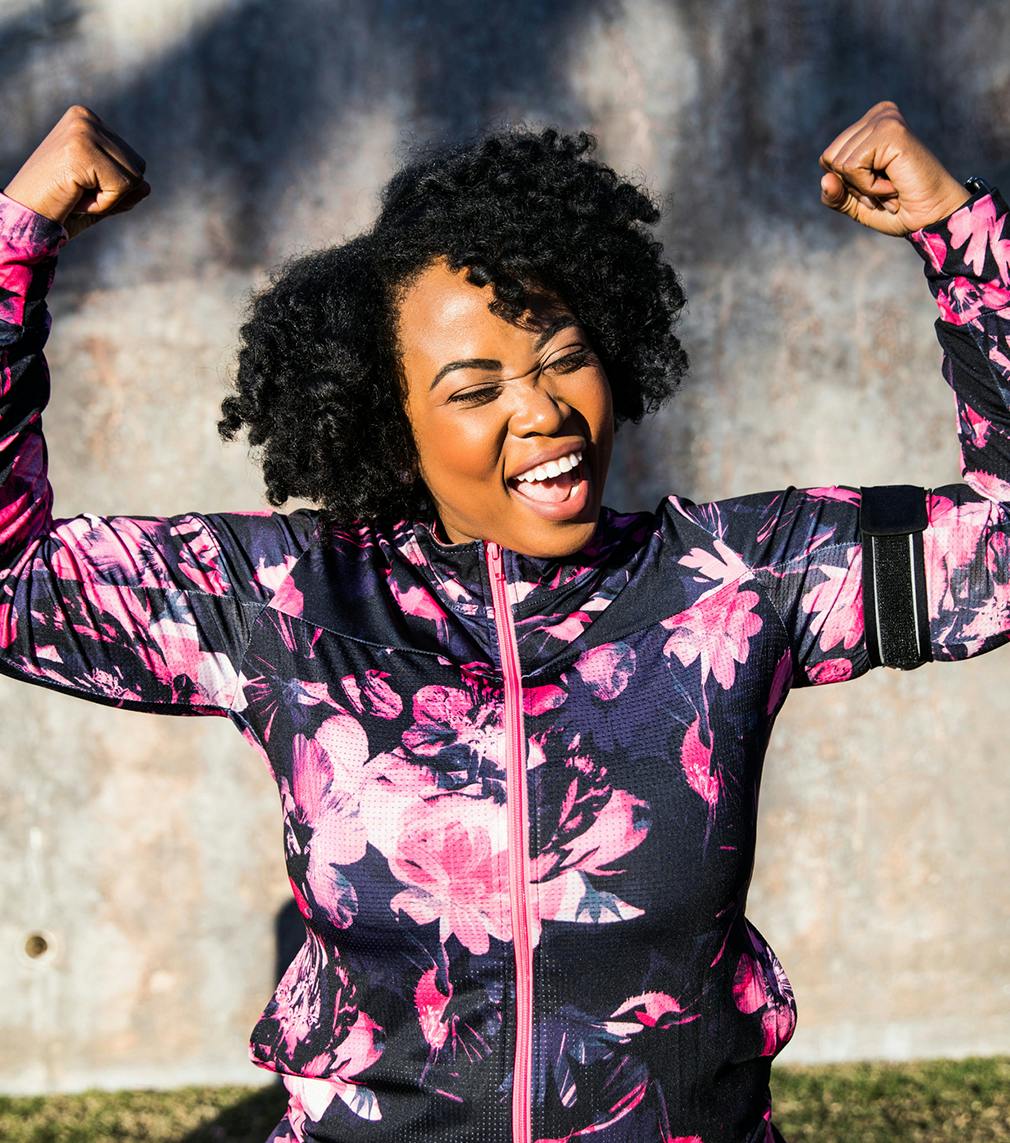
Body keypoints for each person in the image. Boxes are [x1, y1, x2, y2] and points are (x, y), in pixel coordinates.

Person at [0, 99, 1005, 1143]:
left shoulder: (731, 582)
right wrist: (15, 239)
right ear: (394, 425)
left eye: (562, 358)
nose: (542, 412)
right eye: (475, 388)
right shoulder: (285, 603)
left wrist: (960, 235)